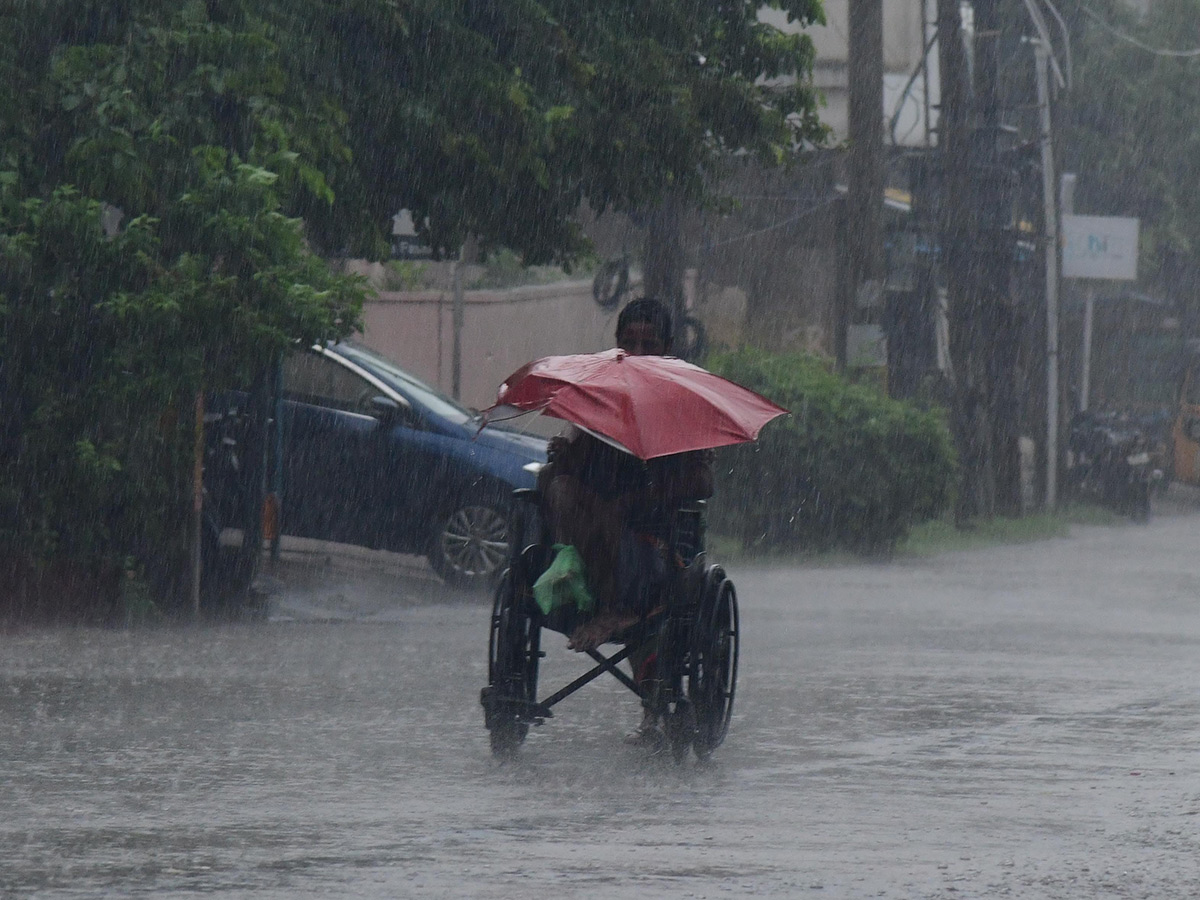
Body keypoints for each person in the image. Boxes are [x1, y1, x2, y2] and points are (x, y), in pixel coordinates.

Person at [537, 298, 714, 743]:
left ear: (668, 348)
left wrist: (646, 493)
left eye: (648, 345)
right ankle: (585, 589)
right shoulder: (601, 394)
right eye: (629, 343)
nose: (637, 352)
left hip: (654, 547)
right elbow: (580, 462)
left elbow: (703, 481)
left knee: (614, 518)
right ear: (616, 345)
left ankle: (620, 613)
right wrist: (564, 459)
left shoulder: (682, 400)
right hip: (594, 541)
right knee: (554, 486)